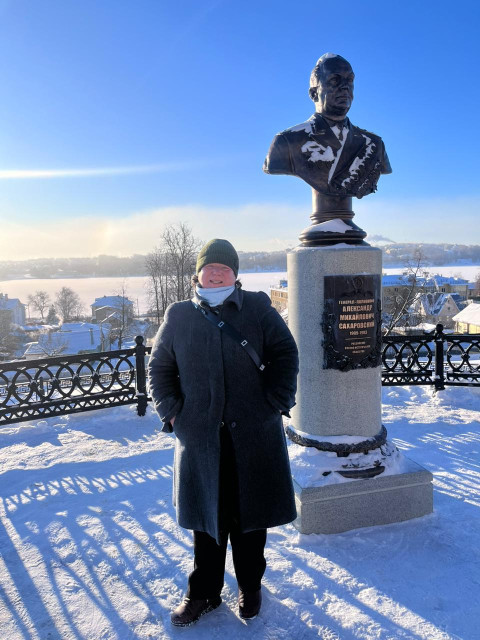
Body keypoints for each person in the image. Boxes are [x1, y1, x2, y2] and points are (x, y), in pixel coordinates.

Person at [147, 238, 299, 626]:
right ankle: (204, 593)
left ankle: (251, 585)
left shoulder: (259, 308)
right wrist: (173, 414)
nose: (216, 273)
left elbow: (285, 352)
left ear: (235, 274)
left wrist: (276, 400)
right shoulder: (179, 315)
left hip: (254, 433)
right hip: (200, 438)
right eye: (210, 267)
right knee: (207, 520)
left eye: (224, 268)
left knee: (250, 518)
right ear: (197, 273)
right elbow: (159, 369)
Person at [263, 53, 391, 199]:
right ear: (314, 93)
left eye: (349, 80)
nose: (345, 87)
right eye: (335, 80)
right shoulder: (287, 142)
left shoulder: (374, 143)